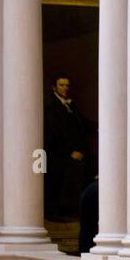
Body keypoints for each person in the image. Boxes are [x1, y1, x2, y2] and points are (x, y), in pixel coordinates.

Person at [43, 76, 92, 222]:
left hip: (71, 152)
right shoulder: (52, 106)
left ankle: (70, 211)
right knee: (56, 184)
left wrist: (100, 126)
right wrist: (70, 152)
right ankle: (54, 214)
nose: (65, 88)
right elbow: (53, 134)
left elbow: (82, 121)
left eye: (67, 85)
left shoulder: (70, 104)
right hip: (58, 154)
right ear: (54, 87)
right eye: (61, 85)